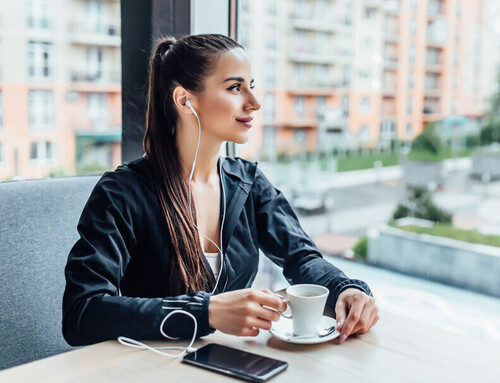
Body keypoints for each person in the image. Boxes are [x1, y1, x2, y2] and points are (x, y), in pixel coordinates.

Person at [62, 34, 378, 348]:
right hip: (151, 369)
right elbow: (82, 313)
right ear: (185, 100)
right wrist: (206, 312)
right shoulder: (122, 193)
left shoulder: (249, 183)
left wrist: (346, 289)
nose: (254, 102)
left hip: (230, 362)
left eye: (251, 86)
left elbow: (302, 259)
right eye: (234, 88)